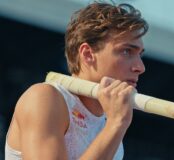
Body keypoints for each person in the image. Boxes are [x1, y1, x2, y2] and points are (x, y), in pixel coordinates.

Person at [5, 2, 148, 160]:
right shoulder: (44, 97)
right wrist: (116, 124)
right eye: (127, 51)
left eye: (139, 54)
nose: (140, 67)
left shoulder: (110, 133)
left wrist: (114, 125)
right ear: (87, 54)